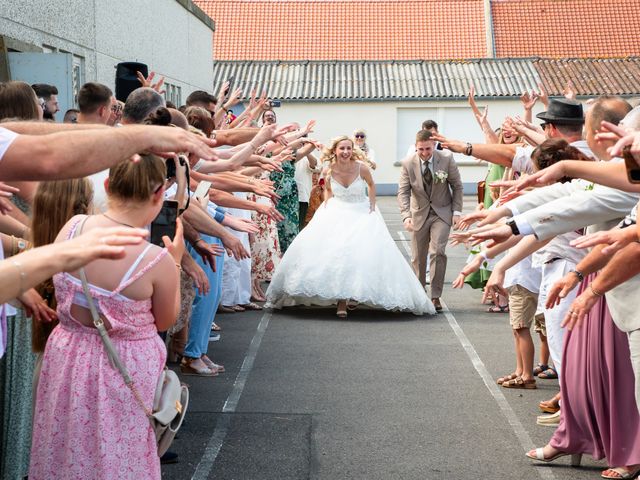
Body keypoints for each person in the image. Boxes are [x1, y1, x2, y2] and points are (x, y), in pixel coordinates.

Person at [29, 153, 183, 479]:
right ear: (159, 194)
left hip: (67, 352)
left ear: (108, 184)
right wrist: (177, 261)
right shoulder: (155, 260)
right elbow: (166, 320)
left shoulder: (72, 229)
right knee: (120, 450)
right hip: (126, 365)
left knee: (64, 443)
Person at [266, 136, 435, 317]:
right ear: (335, 151)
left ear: (352, 150)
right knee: (336, 253)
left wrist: (371, 204)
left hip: (360, 211)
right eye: (342, 149)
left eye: (348, 148)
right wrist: (326, 206)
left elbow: (371, 185)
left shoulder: (361, 168)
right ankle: (341, 301)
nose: (345, 152)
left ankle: (354, 295)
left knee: (359, 254)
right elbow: (328, 191)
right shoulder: (329, 170)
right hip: (337, 210)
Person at [398, 129, 463, 312]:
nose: (425, 153)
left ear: (433, 145)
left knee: (438, 251)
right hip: (419, 213)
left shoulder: (447, 159)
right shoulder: (407, 163)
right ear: (415, 147)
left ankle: (435, 296)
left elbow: (457, 186)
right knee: (418, 257)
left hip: (442, 213)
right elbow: (403, 192)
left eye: (428, 149)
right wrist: (406, 216)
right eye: (421, 149)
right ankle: (419, 294)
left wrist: (456, 211)